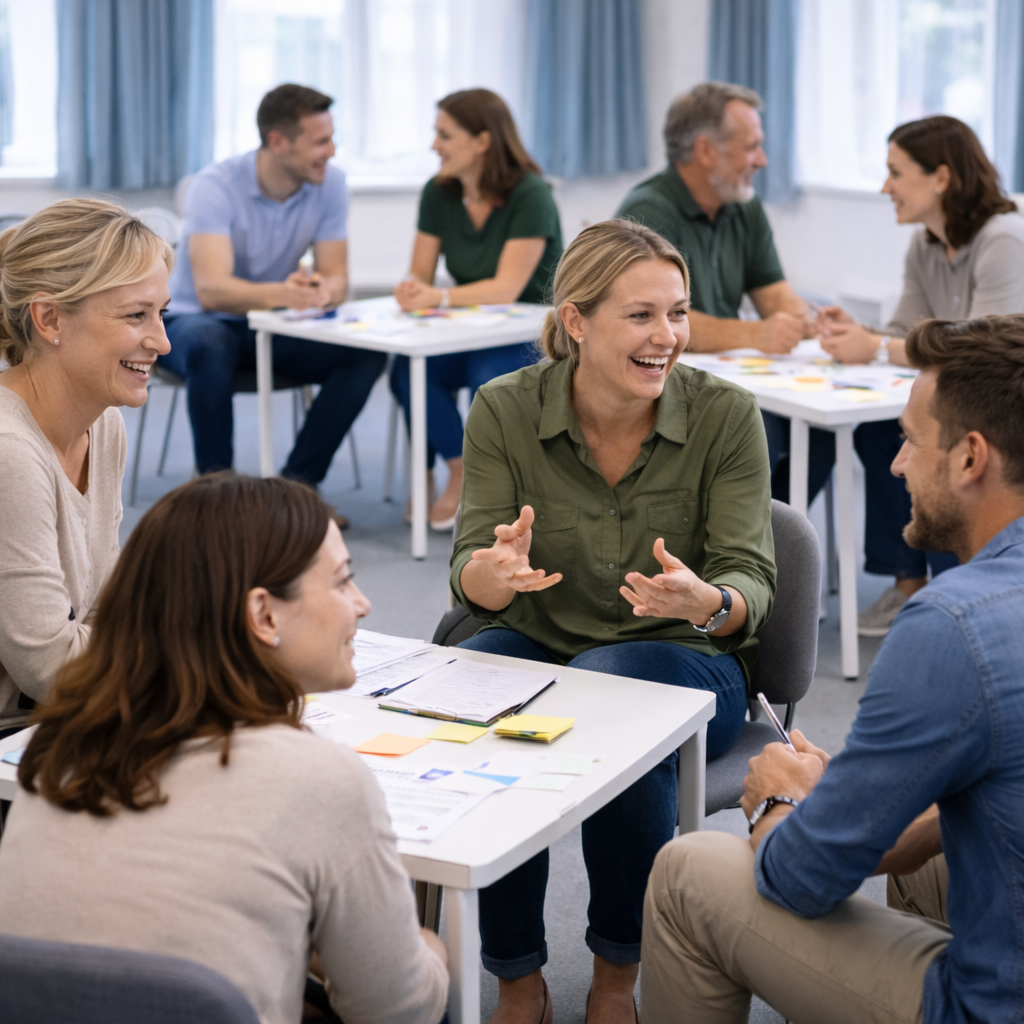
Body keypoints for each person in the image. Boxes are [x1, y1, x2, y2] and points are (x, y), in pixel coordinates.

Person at [641, 314, 1024, 1024]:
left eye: (910, 440)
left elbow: (798, 877)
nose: (896, 464)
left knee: (689, 871)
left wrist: (783, 799)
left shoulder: (952, 626)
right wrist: (859, 798)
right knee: (923, 861)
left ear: (972, 458)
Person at [450, 220, 776, 1024]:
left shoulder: (726, 413)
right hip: (540, 639)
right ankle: (516, 973)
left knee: (606, 695)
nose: (667, 337)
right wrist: (489, 577)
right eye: (641, 315)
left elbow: (752, 577)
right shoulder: (503, 407)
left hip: (683, 657)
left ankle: (616, 971)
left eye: (678, 312)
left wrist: (711, 600)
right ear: (576, 321)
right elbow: (471, 571)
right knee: (482, 689)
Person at [0, 474, 449, 1024]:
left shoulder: (56, 745)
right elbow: (398, 1011)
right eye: (342, 581)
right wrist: (431, 950)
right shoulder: (321, 779)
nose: (363, 604)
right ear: (263, 615)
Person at [816, 116, 1024, 636]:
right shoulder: (925, 244)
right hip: (961, 398)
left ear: (942, 177)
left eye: (895, 172)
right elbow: (906, 331)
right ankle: (910, 585)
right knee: (878, 432)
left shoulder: (1004, 239)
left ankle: (960, 596)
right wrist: (858, 333)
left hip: (1001, 403)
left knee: (936, 452)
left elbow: (981, 348)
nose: (885, 187)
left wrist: (877, 346)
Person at [160, 84, 385, 508]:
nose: (332, 151)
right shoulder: (214, 186)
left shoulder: (330, 184)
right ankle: (217, 497)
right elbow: (211, 291)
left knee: (364, 355)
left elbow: (338, 279)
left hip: (273, 324)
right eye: (321, 142)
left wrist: (322, 291)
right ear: (278, 143)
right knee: (211, 342)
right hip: (191, 325)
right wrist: (283, 294)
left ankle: (297, 490)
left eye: (332, 138)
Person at [615, 81, 833, 507]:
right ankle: (743, 544)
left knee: (820, 428)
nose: (762, 160)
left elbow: (774, 294)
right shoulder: (648, 212)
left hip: (736, 372)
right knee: (754, 432)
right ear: (706, 151)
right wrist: (758, 335)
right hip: (665, 374)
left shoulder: (743, 204)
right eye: (752, 147)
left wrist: (807, 319)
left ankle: (766, 543)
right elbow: (655, 327)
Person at [0, 199, 172, 738]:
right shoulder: (9, 451)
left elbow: (104, 612)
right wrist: (192, 649)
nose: (162, 342)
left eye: (162, 313)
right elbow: (51, 667)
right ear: (49, 318)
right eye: (135, 315)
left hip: (59, 716)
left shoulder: (104, 424)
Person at [389, 88, 563, 530]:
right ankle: (449, 466)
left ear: (483, 141)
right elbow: (420, 275)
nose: (434, 146)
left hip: (525, 332)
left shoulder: (531, 193)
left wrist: (439, 298)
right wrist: (412, 290)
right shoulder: (438, 192)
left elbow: (507, 289)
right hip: (465, 327)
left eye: (444, 135)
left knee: (488, 378)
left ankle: (468, 471)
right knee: (408, 370)